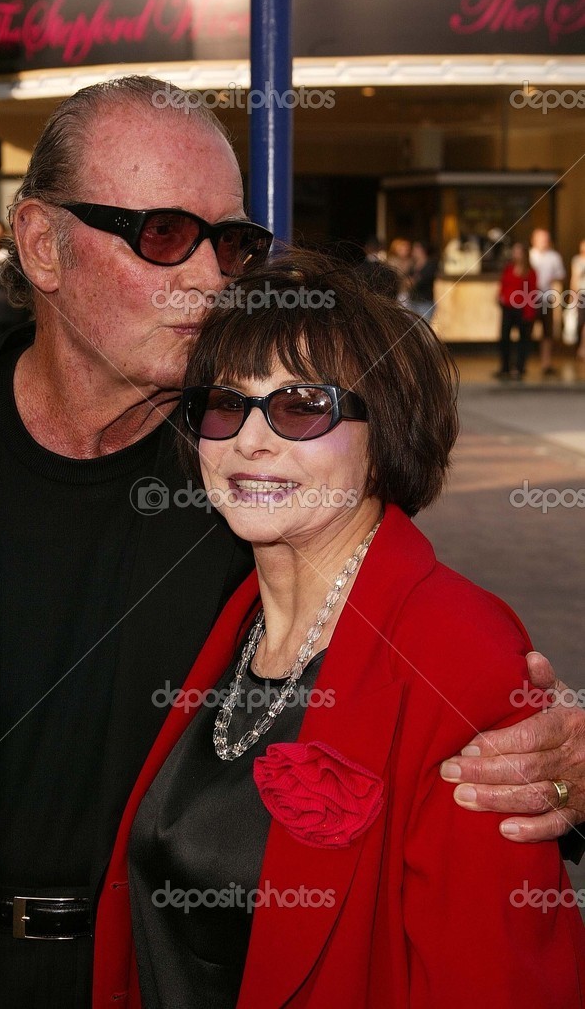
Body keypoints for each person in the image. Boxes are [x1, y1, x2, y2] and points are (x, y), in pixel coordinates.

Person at [0, 76, 582, 1008]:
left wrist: (560, 761)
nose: (211, 279)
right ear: (41, 246)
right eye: (166, 235)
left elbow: (438, 699)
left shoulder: (259, 489)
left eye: (232, 243)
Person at [96, 251, 585, 1008]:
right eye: (226, 404)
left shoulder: (463, 653)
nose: (250, 440)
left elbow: (497, 981)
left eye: (300, 405)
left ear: (382, 432)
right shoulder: (230, 621)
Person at [496, 242, 537, 380]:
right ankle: (505, 367)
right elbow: (503, 284)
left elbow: (532, 293)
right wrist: (500, 296)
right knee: (504, 338)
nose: (516, 254)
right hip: (508, 307)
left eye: (518, 252)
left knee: (523, 340)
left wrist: (529, 313)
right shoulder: (509, 268)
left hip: (522, 309)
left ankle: (519, 367)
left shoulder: (530, 272)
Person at [529, 228, 566, 376]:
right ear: (534, 240)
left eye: (545, 239)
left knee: (547, 332)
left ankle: (546, 363)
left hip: (545, 298)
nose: (543, 242)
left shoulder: (554, 257)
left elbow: (561, 274)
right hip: (528, 298)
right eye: (540, 239)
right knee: (526, 330)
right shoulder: (529, 255)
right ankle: (521, 362)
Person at [407, 239, 438, 320]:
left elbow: (418, 281)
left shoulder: (430, 264)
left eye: (416, 248)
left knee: (423, 328)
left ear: (423, 250)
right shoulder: (413, 265)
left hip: (425, 302)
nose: (413, 251)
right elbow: (407, 281)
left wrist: (413, 280)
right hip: (413, 301)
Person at [570, 238, 585, 361]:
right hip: (581, 294)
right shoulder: (577, 260)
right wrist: (572, 296)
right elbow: (574, 279)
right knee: (581, 322)